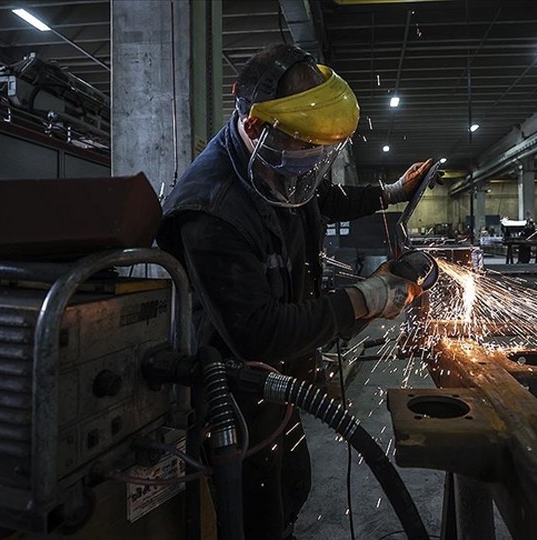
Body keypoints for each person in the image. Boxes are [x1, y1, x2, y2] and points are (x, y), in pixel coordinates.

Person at [156, 44, 437, 539]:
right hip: (235, 391)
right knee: (255, 513)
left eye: (317, 151)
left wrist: (390, 193)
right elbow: (258, 333)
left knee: (295, 485)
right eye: (299, 147)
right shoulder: (210, 210)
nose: (308, 162)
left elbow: (320, 197)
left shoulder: (280, 163)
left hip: (283, 381)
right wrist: (369, 297)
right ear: (255, 126)